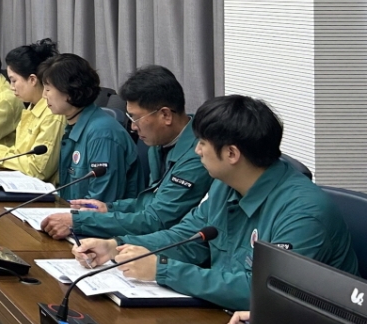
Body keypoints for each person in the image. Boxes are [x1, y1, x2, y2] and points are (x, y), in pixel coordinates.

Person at [74, 95, 358, 310]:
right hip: (225, 316)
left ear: (232, 154)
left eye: (202, 143)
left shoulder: (303, 212)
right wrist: (117, 246)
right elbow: (186, 237)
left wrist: (163, 270)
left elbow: (264, 291)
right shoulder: (226, 184)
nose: (196, 150)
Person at [41, 65, 208, 240]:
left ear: (165, 115)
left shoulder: (198, 155)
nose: (133, 127)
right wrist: (109, 208)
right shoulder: (159, 141)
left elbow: (156, 219)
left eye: (136, 118)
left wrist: (79, 221)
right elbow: (150, 202)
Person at [39, 53, 140, 204]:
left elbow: (100, 203)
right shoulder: (72, 125)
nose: (43, 96)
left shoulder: (102, 134)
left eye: (48, 89)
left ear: (69, 91)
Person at [0, 39, 64, 181]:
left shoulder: (52, 114)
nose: (11, 87)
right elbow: (19, 153)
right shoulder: (31, 107)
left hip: (38, 189)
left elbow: (38, 169)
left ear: (32, 80)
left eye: (14, 81)